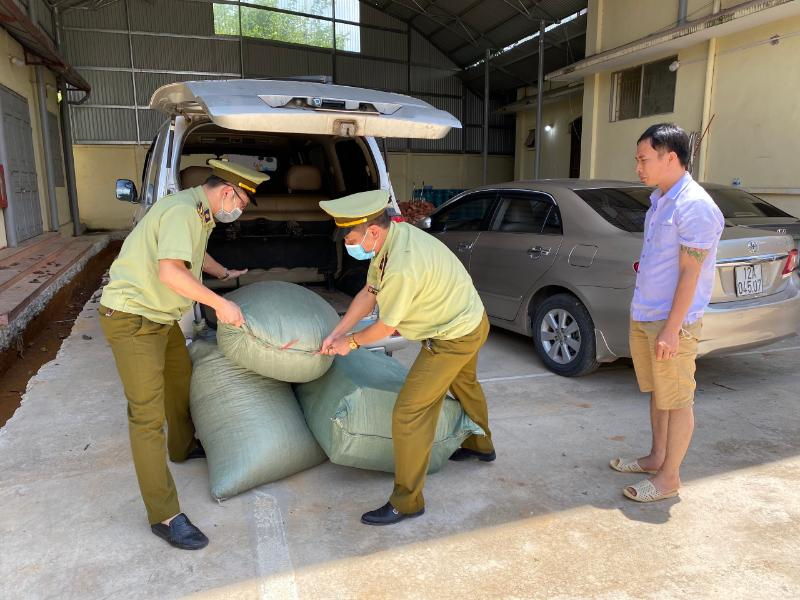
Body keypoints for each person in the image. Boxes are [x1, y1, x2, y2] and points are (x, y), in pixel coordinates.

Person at [98, 159, 268, 549]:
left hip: (158, 316)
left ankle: (182, 446)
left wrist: (221, 272)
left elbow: (193, 254)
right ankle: (164, 514)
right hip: (132, 317)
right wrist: (220, 305)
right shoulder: (180, 212)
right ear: (227, 191)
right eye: (241, 201)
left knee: (180, 381)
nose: (239, 210)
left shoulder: (199, 211)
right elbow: (172, 272)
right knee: (146, 415)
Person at [318, 189, 495, 525]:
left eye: (350, 238)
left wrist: (350, 343)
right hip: (469, 318)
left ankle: (407, 500)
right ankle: (481, 445)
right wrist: (337, 331)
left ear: (372, 231)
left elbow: (384, 327)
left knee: (410, 413)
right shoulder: (390, 239)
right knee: (465, 382)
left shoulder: (401, 264)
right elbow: (369, 294)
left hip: (454, 335)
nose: (347, 245)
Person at [610, 123, 723, 502]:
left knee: (676, 399)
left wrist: (672, 330)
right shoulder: (661, 200)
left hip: (671, 321)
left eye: (644, 159)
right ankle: (656, 457)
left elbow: (692, 272)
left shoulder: (695, 206)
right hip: (647, 312)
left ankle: (670, 478)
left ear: (670, 157)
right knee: (659, 393)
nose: (638, 167)